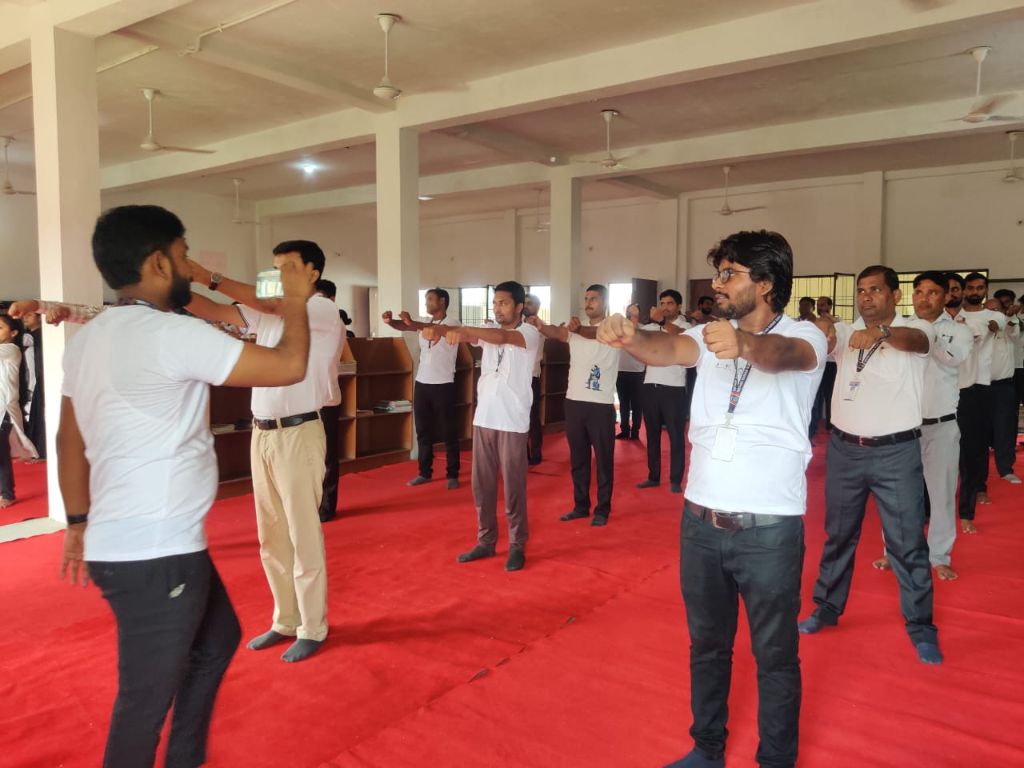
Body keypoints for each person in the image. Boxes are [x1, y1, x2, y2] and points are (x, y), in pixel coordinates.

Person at [57, 204, 312, 768]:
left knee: (217, 640)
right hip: (155, 551)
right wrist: (296, 299)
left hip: (145, 545)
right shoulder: (171, 335)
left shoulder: (89, 338)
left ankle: (185, 758)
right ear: (157, 263)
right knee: (142, 704)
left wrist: (77, 521)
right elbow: (289, 365)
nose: (188, 266)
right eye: (182, 255)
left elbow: (68, 441)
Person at [598, 229, 825, 768]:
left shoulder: (805, 335)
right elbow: (665, 348)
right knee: (707, 645)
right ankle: (707, 748)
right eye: (718, 272)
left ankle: (776, 759)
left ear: (765, 283)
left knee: (774, 653)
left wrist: (744, 344)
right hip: (700, 521)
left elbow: (785, 356)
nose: (717, 283)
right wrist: (629, 335)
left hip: (769, 528)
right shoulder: (705, 335)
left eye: (729, 274)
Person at [187, 242, 342, 663]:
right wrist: (174, 285)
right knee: (271, 535)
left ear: (313, 273)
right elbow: (214, 311)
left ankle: (312, 626)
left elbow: (267, 303)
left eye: (289, 267)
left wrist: (208, 276)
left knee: (302, 533)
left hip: (299, 433)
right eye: (276, 268)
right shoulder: (270, 311)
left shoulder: (320, 309)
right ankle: (285, 619)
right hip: (263, 434)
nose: (279, 274)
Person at [800, 265, 943, 666]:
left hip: (896, 453)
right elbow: (828, 337)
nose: (866, 297)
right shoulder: (847, 333)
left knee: (907, 542)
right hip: (845, 451)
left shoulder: (918, 328)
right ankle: (827, 607)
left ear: (895, 295)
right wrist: (824, 328)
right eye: (861, 290)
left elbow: (915, 341)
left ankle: (920, 625)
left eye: (875, 290)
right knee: (838, 535)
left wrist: (880, 333)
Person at [427, 281, 541, 572]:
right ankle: (486, 541)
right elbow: (469, 335)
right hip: (484, 419)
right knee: (482, 486)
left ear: (519, 306)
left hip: (513, 422)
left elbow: (502, 337)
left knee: (513, 488)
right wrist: (438, 330)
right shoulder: (488, 330)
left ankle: (517, 545)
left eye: (504, 303)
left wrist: (464, 330)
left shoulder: (528, 333)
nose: (498, 308)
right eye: (495, 303)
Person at [873, 272, 971, 580]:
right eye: (918, 292)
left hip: (940, 425)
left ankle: (939, 555)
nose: (924, 298)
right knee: (897, 494)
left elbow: (953, 359)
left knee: (941, 494)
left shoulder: (958, 330)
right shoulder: (898, 327)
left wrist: (925, 335)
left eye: (932, 292)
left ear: (945, 296)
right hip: (902, 426)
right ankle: (893, 551)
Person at [528, 284, 619, 526]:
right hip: (574, 403)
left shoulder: (613, 328)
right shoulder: (575, 330)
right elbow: (557, 333)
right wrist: (539, 324)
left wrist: (578, 329)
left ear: (605, 302)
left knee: (603, 461)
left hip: (600, 405)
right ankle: (580, 506)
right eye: (586, 298)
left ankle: (602, 509)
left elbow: (595, 334)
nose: (588, 303)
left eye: (594, 299)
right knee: (578, 459)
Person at [382, 287, 462, 489]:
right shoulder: (422, 322)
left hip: (444, 384)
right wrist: (390, 322)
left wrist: (412, 323)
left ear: (442, 301)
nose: (426, 303)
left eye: (430, 299)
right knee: (423, 430)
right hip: (422, 383)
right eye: (426, 299)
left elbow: (434, 329)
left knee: (448, 431)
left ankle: (452, 474)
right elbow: (406, 326)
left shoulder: (453, 322)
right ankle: (424, 472)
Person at [954, 272, 1007, 526]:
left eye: (980, 287)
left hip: (980, 386)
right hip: (952, 387)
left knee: (977, 445)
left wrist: (992, 323)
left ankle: (978, 488)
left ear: (986, 290)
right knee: (952, 445)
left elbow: (998, 324)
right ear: (964, 290)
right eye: (971, 287)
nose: (975, 291)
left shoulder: (993, 315)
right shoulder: (953, 315)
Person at [637, 289, 690, 493]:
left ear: (678, 306)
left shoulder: (685, 327)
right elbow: (635, 335)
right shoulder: (651, 327)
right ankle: (653, 476)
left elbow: (681, 335)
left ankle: (675, 479)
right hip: (650, 386)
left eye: (670, 303)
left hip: (674, 388)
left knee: (676, 436)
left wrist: (663, 322)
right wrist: (633, 318)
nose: (665, 307)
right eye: (662, 303)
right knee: (651, 435)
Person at [311, 279, 349, 522]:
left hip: (325, 398)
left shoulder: (334, 321)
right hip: (306, 399)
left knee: (326, 456)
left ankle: (326, 506)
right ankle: (311, 503)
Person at [0, 314, 37, 507]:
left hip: (4, 409)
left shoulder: (11, 349)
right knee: (2, 453)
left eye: (0, 328)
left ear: (13, 333)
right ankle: (6, 493)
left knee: (1, 453)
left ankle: (7, 494)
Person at [991, 288, 1020, 484]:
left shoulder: (1012, 323)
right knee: (977, 431)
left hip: (1004, 386)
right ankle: (974, 474)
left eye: (1008, 303)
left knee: (1005, 429)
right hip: (979, 385)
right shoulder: (986, 323)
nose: (1004, 307)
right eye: (1000, 303)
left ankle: (1006, 469)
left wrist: (1010, 317)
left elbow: (1015, 335)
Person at [615, 303, 645, 440]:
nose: (631, 316)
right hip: (621, 371)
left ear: (638, 315)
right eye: (629, 314)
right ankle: (625, 430)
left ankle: (635, 431)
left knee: (637, 404)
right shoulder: (620, 329)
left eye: (634, 314)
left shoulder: (643, 330)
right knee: (624, 403)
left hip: (638, 372)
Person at [810, 296, 839, 436]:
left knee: (829, 394)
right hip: (817, 362)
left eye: (823, 304)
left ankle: (830, 424)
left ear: (829, 306)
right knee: (815, 394)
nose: (820, 307)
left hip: (831, 364)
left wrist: (831, 321)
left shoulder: (837, 321)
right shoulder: (814, 322)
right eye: (818, 304)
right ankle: (813, 424)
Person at [21, 310, 45, 459]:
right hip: (38, 382)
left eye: (29, 314)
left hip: (42, 381)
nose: (25, 317)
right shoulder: (31, 338)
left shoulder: (42, 336)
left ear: (40, 317)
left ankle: (41, 452)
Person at [524, 292, 544, 465]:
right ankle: (523, 453)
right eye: (524, 303)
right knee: (518, 416)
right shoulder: (519, 325)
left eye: (530, 303)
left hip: (531, 377)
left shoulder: (540, 326)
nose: (526, 306)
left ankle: (536, 453)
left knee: (532, 417)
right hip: (517, 377)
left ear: (537, 307)